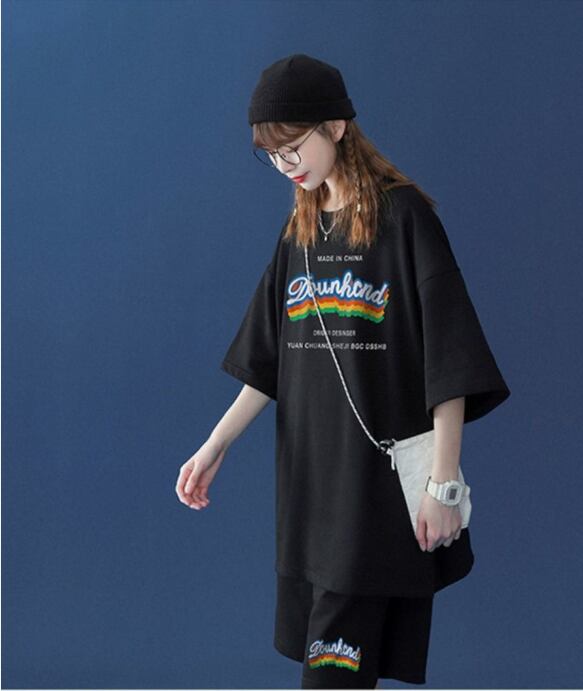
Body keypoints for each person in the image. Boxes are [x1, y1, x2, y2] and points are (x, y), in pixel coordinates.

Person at [175, 53, 511, 689]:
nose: (286, 165)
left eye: (293, 146)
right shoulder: (299, 232)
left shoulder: (404, 219)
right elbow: (267, 361)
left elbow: (450, 360)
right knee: (339, 674)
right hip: (310, 501)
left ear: (335, 126)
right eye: (271, 155)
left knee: (332, 677)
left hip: (372, 506)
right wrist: (215, 446)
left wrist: (443, 485)